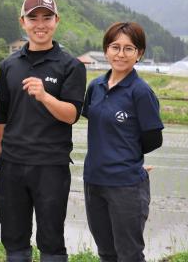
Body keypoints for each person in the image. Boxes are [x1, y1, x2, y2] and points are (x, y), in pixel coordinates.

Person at [0, 0, 87, 262]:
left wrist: (45, 95)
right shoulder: (10, 64)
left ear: (56, 21)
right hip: (12, 164)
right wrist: (2, 153)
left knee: (51, 239)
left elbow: (72, 115)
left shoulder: (70, 66)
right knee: (14, 237)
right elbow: (2, 113)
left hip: (50, 165)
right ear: (22, 22)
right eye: (33, 18)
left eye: (46, 18)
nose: (40, 24)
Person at [82, 22, 163, 262]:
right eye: (115, 46)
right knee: (106, 253)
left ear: (139, 54)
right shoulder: (95, 87)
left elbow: (153, 139)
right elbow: (99, 128)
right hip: (93, 180)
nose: (120, 53)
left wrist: (128, 159)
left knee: (129, 254)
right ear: (106, 50)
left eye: (129, 48)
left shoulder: (141, 92)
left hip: (125, 186)